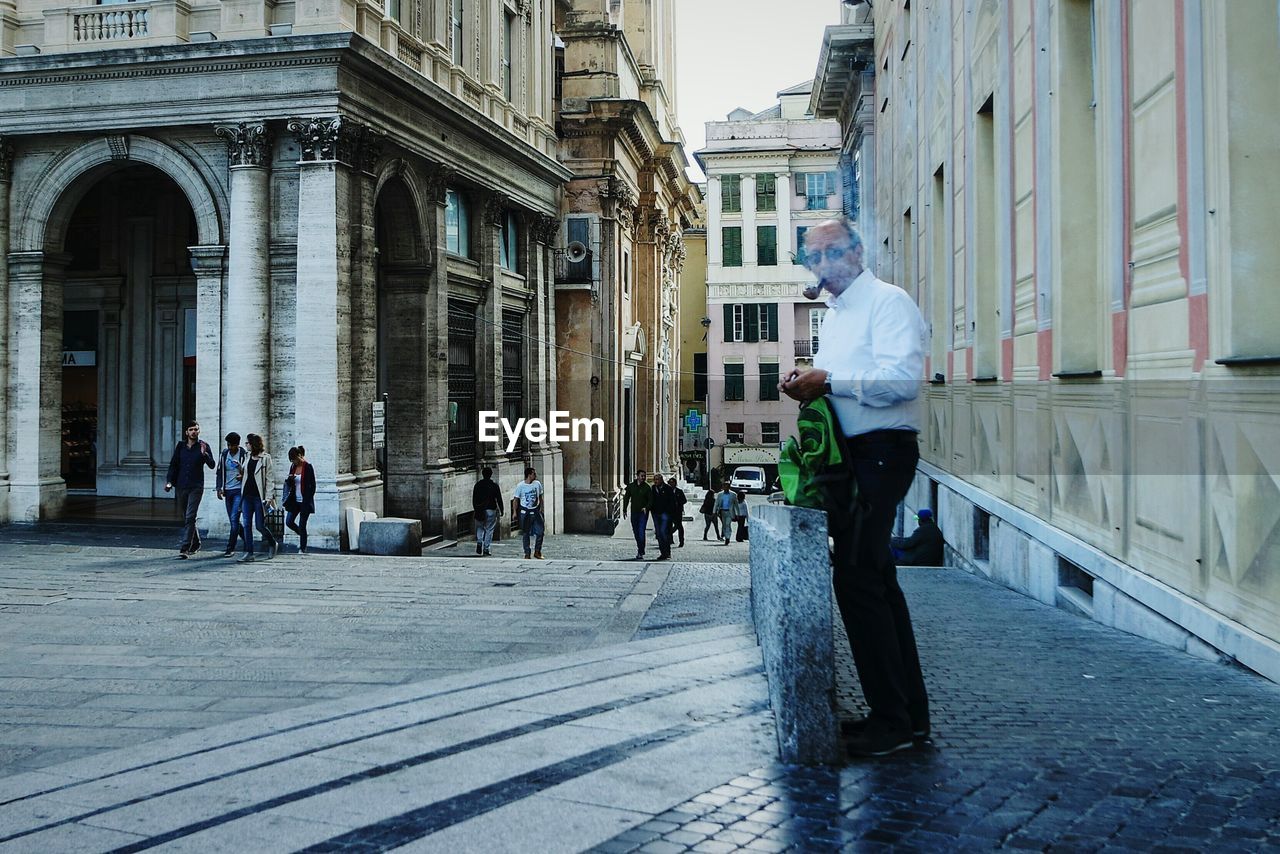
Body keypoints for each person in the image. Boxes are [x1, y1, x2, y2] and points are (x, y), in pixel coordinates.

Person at [780, 217, 930, 758]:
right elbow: (839, 384)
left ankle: (892, 720)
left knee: (859, 580)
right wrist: (808, 384)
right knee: (874, 582)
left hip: (883, 455)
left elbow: (902, 382)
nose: (823, 266)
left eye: (832, 253)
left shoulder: (889, 302)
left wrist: (830, 381)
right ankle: (906, 716)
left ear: (858, 250)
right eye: (813, 258)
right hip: (851, 458)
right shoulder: (835, 318)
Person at [164, 421, 215, 559]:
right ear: (187, 432)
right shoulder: (180, 446)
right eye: (191, 429)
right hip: (181, 485)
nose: (194, 432)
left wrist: (205, 455)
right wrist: (169, 482)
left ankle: (185, 547)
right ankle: (196, 543)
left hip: (196, 486)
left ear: (199, 431)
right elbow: (174, 465)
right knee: (186, 517)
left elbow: (212, 465)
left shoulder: (203, 446)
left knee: (190, 516)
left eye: (196, 429)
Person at [237, 433, 278, 563]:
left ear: (253, 444)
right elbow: (245, 473)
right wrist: (240, 472)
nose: (246, 445)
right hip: (247, 495)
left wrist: (269, 497)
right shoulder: (247, 456)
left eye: (247, 443)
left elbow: (270, 479)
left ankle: (272, 543)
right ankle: (249, 552)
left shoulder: (266, 458)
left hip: (259, 497)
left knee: (260, 525)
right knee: (247, 524)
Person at [215, 432, 248, 557]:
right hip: (227, 490)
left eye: (232, 445)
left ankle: (230, 548)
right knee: (233, 521)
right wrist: (219, 488)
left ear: (237, 445)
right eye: (228, 445)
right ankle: (247, 540)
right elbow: (219, 472)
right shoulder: (224, 454)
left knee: (234, 519)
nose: (230, 448)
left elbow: (249, 472)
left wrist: (242, 475)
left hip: (239, 491)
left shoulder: (244, 454)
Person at [283, 446, 317, 554]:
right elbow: (289, 483)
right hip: (294, 500)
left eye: (294, 459)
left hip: (304, 501)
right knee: (289, 522)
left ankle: (303, 547)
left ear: (299, 456)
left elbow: (313, 485)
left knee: (302, 524)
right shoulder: (293, 467)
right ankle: (302, 535)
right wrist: (289, 479)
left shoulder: (308, 467)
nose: (293, 462)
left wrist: (308, 498)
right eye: (292, 460)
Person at [511, 467, 544, 559]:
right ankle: (527, 552)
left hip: (536, 510)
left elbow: (540, 497)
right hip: (525, 511)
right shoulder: (520, 486)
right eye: (533, 474)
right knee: (526, 532)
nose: (535, 475)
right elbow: (516, 499)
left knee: (540, 532)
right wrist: (514, 512)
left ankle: (537, 551)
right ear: (529, 475)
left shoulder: (537, 484)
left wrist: (541, 507)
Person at [472, 466, 504, 556]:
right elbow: (499, 499)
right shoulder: (494, 485)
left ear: (482, 474)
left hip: (480, 509)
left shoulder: (477, 485)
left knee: (480, 527)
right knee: (489, 529)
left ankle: (479, 541)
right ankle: (486, 548)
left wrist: (475, 508)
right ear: (491, 475)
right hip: (491, 509)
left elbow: (474, 498)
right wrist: (502, 509)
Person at [621, 470, 653, 560]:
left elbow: (651, 500)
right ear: (637, 476)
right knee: (636, 531)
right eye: (642, 476)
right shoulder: (631, 486)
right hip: (634, 512)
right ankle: (640, 548)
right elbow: (626, 498)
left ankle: (640, 551)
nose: (643, 477)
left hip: (643, 513)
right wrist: (624, 510)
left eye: (644, 476)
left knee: (641, 531)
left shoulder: (647, 487)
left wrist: (646, 507)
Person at [650, 474, 677, 560]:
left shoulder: (667, 488)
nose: (656, 481)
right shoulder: (653, 488)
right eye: (655, 480)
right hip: (656, 513)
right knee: (658, 534)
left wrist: (670, 513)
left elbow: (672, 501)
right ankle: (663, 553)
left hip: (665, 513)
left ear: (661, 480)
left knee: (663, 532)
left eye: (657, 479)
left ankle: (667, 552)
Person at [667, 477, 687, 548]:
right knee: (669, 526)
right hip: (669, 511)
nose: (671, 484)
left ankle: (681, 541)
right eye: (670, 483)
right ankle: (670, 540)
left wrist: (678, 503)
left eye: (672, 482)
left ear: (675, 483)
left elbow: (684, 500)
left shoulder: (679, 491)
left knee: (679, 526)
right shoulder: (667, 491)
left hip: (678, 512)